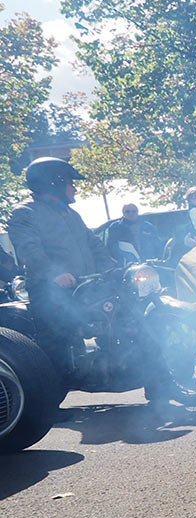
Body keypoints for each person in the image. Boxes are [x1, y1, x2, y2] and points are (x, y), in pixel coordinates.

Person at [4, 157, 110, 372]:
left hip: (84, 286)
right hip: (50, 289)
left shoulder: (71, 214)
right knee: (56, 338)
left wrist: (113, 266)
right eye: (71, 183)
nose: (75, 189)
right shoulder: (25, 213)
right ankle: (54, 386)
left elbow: (94, 244)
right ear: (55, 182)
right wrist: (55, 274)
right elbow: (28, 249)